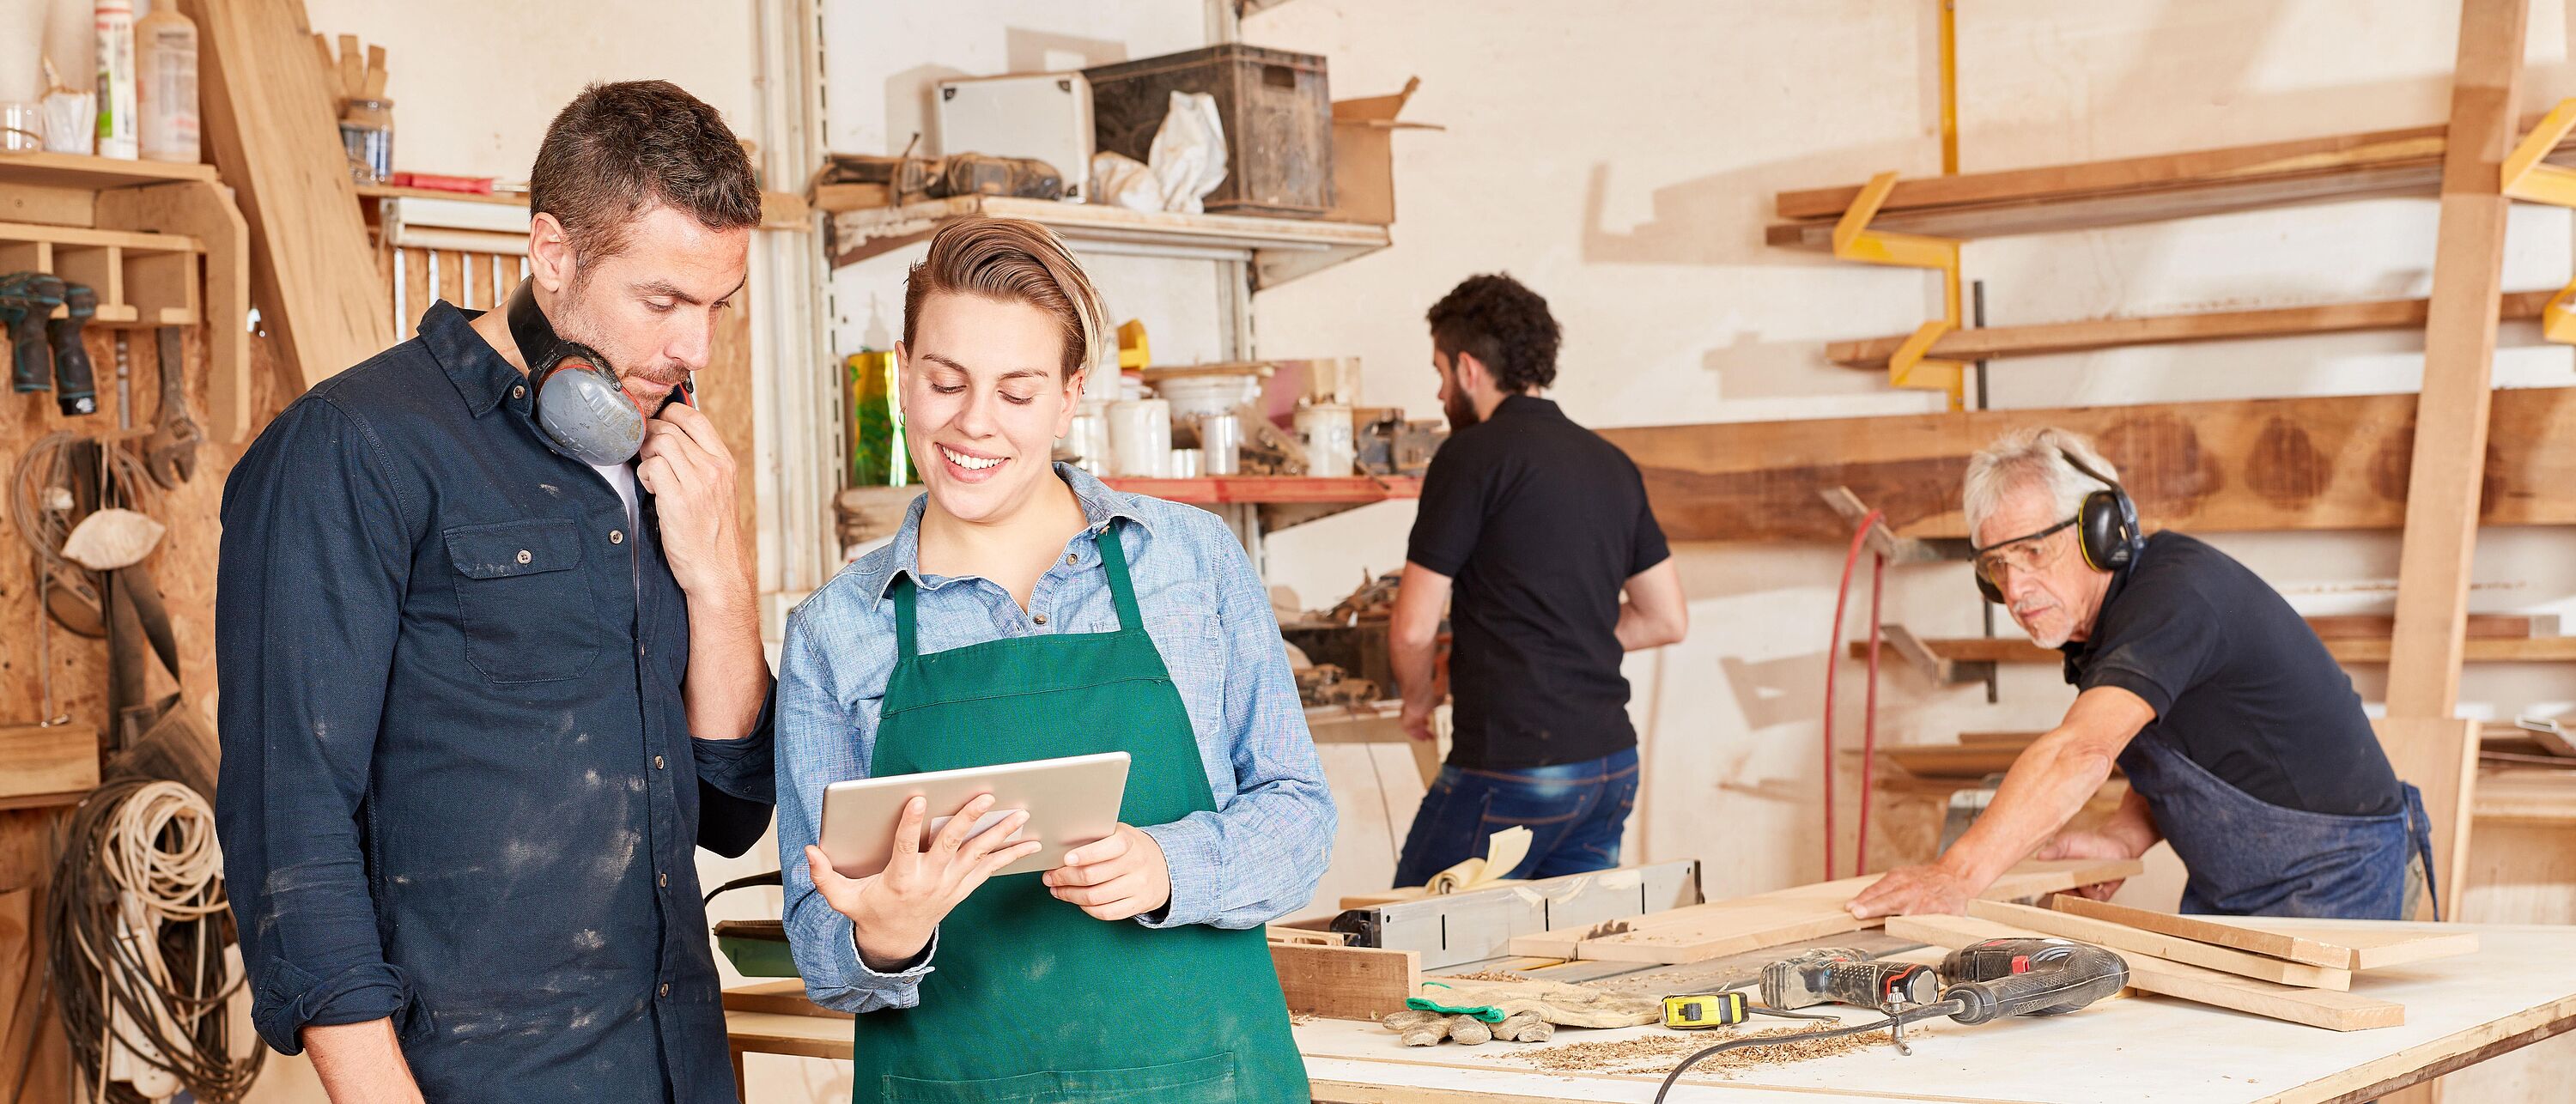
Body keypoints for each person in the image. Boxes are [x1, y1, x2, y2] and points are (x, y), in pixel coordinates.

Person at [216, 82, 774, 1102]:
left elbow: (732, 809)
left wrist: (722, 574)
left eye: (716, 307)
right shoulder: (354, 448)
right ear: (552, 253)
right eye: (662, 302)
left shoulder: (668, 453)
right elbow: (287, 824)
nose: (694, 349)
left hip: (680, 1066)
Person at [775, 216, 1334, 1101]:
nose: (974, 422)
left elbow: (1300, 818)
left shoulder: (1189, 562)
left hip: (1203, 1081)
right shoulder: (838, 631)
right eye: (945, 381)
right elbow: (818, 944)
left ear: (1073, 392)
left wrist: (1167, 864)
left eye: (1018, 390)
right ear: (906, 371)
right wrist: (886, 932)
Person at [1849, 428, 2433, 922]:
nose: (2015, 588)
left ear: (2100, 531)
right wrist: (2122, 839)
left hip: (2341, 879)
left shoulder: (2175, 600)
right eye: (1996, 565)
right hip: (2243, 890)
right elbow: (2203, 760)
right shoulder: (2115, 624)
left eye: (2032, 552)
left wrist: (1955, 874)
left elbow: (2078, 753)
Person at [1388, 274, 1689, 889]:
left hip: (1514, 767)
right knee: (1559, 960)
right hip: (1608, 769)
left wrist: (1417, 700)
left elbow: (1414, 626)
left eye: (1441, 371)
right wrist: (1556, 643)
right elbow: (1665, 619)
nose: (1441, 390)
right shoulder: (1609, 462)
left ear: (1469, 368)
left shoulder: (1470, 457)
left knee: (1402, 946)